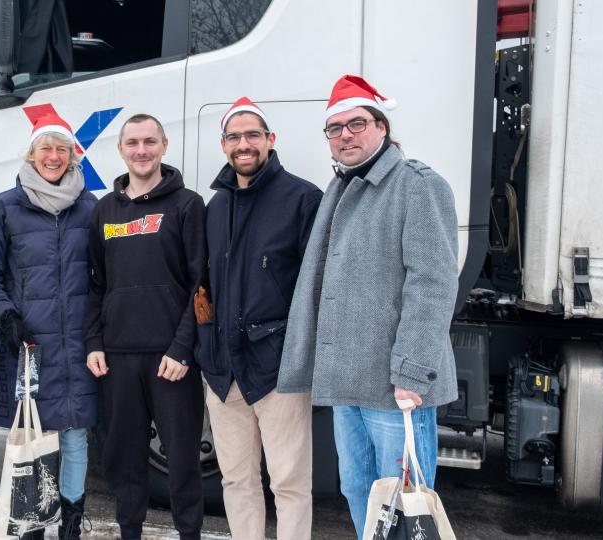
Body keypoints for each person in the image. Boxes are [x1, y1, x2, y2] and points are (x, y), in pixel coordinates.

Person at [277, 75, 460, 538]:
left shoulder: (416, 184)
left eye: (356, 123)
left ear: (381, 126)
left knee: (404, 501)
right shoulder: (341, 188)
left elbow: (433, 283)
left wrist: (412, 372)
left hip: (395, 386)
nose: (345, 135)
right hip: (349, 383)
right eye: (334, 129)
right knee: (361, 492)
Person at [198, 97, 322, 540]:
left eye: (253, 135)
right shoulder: (215, 207)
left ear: (271, 140)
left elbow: (316, 288)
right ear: (223, 144)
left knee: (289, 483)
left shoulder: (303, 199)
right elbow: (204, 287)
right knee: (236, 480)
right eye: (234, 136)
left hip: (277, 370)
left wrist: (300, 355)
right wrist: (205, 345)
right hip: (224, 372)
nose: (243, 144)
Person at [83, 113, 207, 540]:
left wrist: (183, 348)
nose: (141, 150)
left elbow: (200, 285)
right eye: (133, 142)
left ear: (164, 146)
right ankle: (130, 533)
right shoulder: (104, 210)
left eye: (150, 141)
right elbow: (95, 285)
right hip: (117, 358)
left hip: (169, 359)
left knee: (183, 460)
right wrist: (94, 341)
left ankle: (189, 534)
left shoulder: (187, 205)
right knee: (125, 458)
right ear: (120, 150)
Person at [0, 112, 98, 539]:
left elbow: (101, 278)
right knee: (35, 439)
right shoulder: (4, 207)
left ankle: (70, 523)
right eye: (45, 148)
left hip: (78, 345)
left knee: (75, 435)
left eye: (61, 149)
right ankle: (33, 525)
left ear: (72, 155)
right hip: (27, 344)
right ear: (31, 153)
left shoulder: (90, 206)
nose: (53, 156)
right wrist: (6, 315)